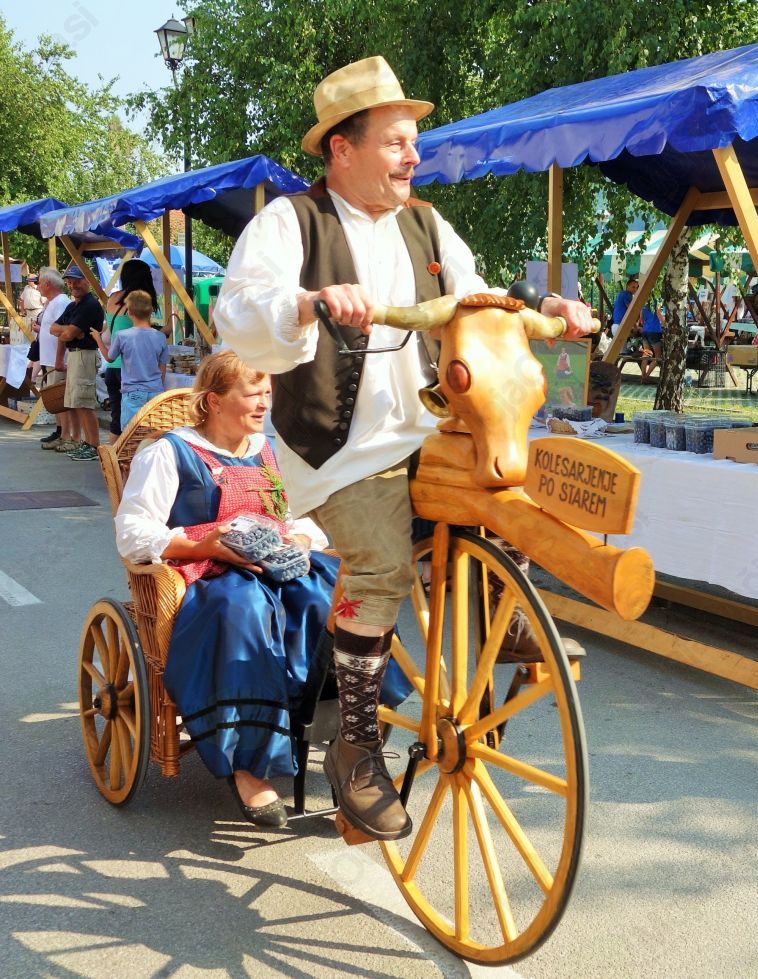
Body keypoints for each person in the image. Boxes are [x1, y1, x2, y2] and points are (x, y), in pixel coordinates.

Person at [216, 56, 594, 840]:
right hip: (338, 452)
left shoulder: (426, 224)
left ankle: (499, 608)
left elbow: (480, 297)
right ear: (341, 149)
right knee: (383, 561)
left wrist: (545, 307)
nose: (412, 156)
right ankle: (355, 748)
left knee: (499, 476)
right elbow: (241, 312)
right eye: (394, 142)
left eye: (412, 142)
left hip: (421, 431)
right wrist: (308, 302)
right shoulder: (291, 223)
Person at [114, 351, 374, 827]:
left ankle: (347, 739)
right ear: (214, 401)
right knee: (246, 611)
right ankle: (249, 765)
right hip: (209, 572)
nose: (264, 404)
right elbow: (132, 531)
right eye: (253, 394)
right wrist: (204, 545)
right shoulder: (169, 452)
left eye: (267, 393)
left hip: (278, 563)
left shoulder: (269, 450)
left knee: (330, 600)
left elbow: (302, 515)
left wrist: (298, 539)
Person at [102, 259, 163, 439]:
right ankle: (132, 455)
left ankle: (114, 456)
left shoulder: (113, 298)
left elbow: (112, 331)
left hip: (113, 368)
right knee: (144, 425)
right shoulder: (140, 301)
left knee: (117, 422)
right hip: (134, 371)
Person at [91, 290, 168, 428]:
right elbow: (162, 369)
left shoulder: (122, 336)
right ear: (151, 311)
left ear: (129, 312)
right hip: (155, 391)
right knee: (154, 432)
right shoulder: (160, 337)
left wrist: (98, 339)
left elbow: (109, 358)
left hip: (133, 392)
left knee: (131, 433)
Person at [50, 265, 103, 460]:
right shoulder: (73, 306)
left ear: (87, 281)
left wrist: (68, 331)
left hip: (84, 355)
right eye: (70, 282)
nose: (72, 285)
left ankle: (93, 445)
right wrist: (69, 331)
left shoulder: (90, 305)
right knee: (77, 402)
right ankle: (86, 443)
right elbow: (53, 328)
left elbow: (67, 334)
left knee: (84, 403)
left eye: (76, 281)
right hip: (75, 355)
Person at [35, 268, 72, 448]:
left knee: (60, 399)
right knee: (55, 399)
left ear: (48, 284)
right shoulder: (52, 302)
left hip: (56, 360)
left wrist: (59, 359)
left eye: (40, 283)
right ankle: (60, 430)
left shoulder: (61, 302)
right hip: (49, 359)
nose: (38, 286)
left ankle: (65, 434)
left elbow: (62, 332)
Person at [639, 304, 665, 382]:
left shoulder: (643, 305)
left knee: (646, 354)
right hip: (655, 332)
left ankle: (643, 376)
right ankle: (646, 376)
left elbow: (641, 320)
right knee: (657, 357)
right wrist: (665, 324)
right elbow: (660, 317)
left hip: (645, 331)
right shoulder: (655, 303)